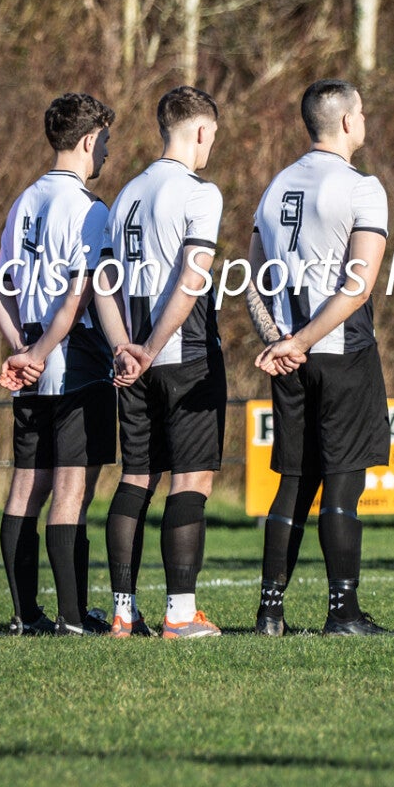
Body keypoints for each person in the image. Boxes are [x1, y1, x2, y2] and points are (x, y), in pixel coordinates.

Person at [248, 79, 394, 637]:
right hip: (338, 350)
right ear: (348, 121)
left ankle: (270, 612)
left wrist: (278, 341)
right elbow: (358, 286)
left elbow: (251, 282)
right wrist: (303, 340)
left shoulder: (275, 186)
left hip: (288, 357)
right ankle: (343, 613)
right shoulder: (361, 187)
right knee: (342, 482)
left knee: (293, 482)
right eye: (363, 112)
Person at [94, 86, 228, 640]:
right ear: (199, 131)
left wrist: (123, 347)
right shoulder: (200, 192)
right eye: (212, 135)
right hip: (182, 354)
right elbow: (193, 279)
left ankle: (123, 613)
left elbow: (103, 283)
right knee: (191, 479)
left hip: (131, 360)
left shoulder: (125, 193)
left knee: (136, 476)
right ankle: (180, 613)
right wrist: (149, 347)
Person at [0, 93, 118, 636]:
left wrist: (22, 351)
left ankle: (26, 615)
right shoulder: (89, 208)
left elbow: (1, 287)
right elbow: (77, 297)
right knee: (72, 490)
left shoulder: (24, 199)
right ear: (89, 140)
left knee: (27, 485)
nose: (106, 151)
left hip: (29, 358)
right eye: (105, 141)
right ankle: (72, 617)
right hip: (74, 362)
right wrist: (42, 354)